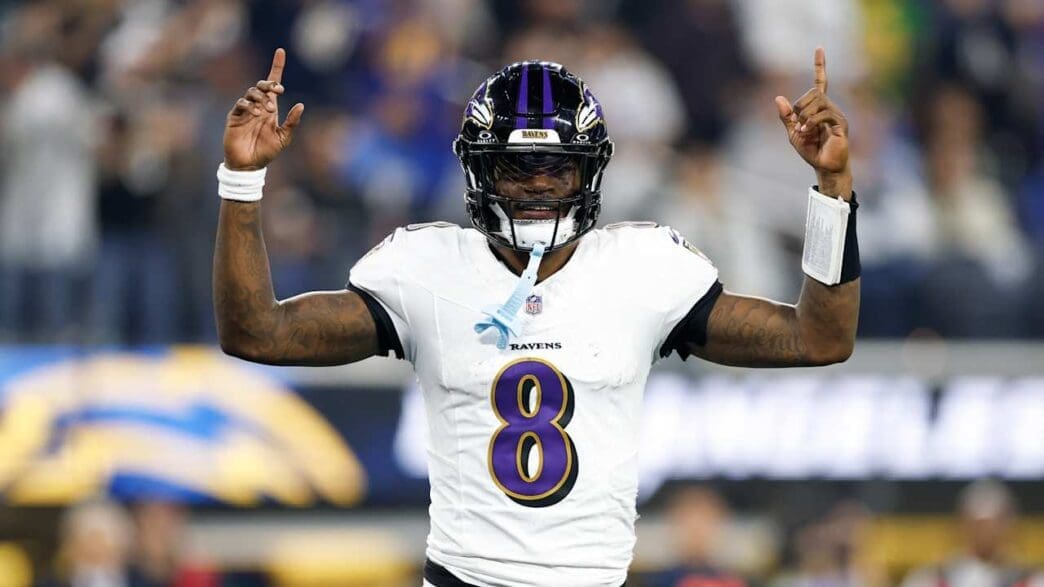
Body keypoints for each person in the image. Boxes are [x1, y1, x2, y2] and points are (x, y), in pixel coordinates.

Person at [214, 48, 859, 587]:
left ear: (589, 170)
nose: (539, 184)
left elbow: (819, 338)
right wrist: (241, 181)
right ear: (479, 168)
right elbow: (257, 334)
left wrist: (833, 189)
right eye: (516, 166)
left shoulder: (643, 268)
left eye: (558, 166)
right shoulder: (426, 267)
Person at [901, 480, 1044, 587]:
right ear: (962, 524)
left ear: (1009, 526)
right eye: (978, 525)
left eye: (994, 523)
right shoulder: (930, 579)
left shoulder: (1033, 580)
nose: (986, 532)